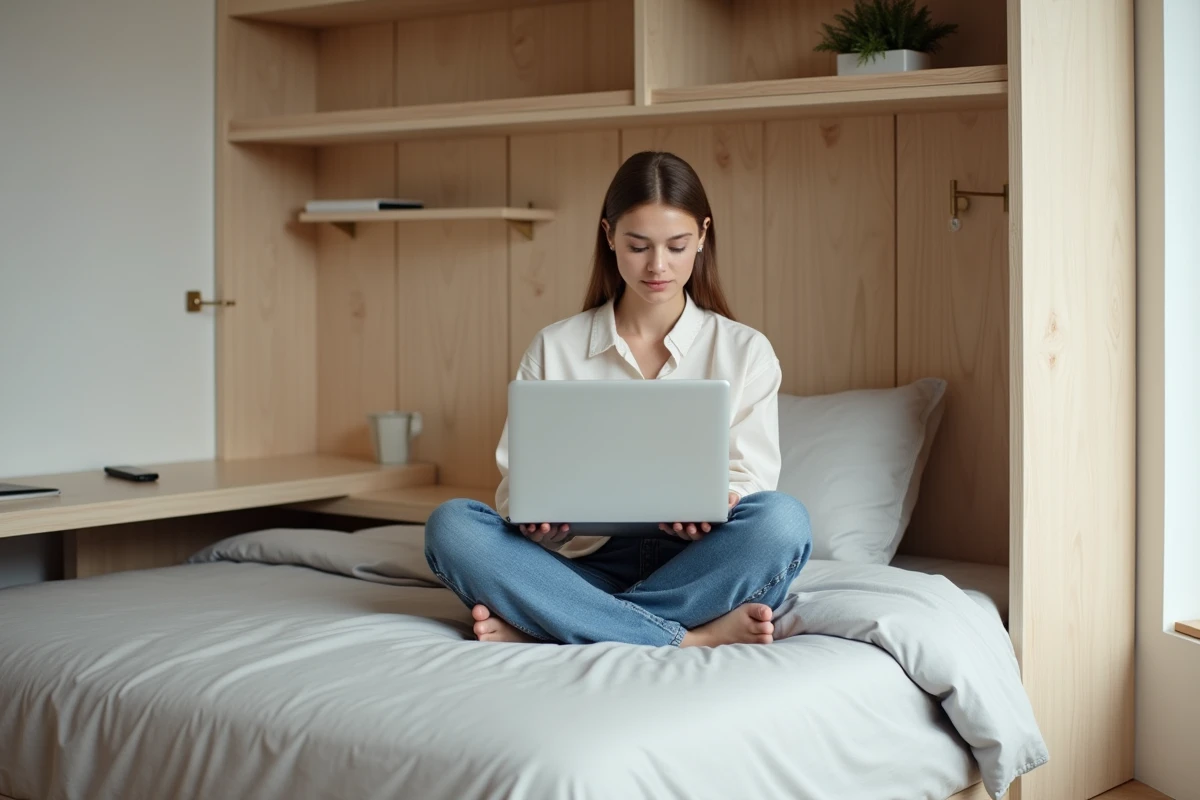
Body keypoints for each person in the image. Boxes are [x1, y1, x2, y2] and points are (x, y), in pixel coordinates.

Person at [424, 151, 812, 648]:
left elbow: (750, 479)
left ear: (703, 235)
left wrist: (723, 502)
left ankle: (557, 622)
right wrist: (541, 526)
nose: (657, 266)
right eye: (638, 246)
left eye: (676, 246)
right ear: (609, 236)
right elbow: (516, 487)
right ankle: (685, 638)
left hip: (699, 568)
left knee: (783, 521)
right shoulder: (555, 346)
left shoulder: (745, 351)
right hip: (581, 568)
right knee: (452, 526)